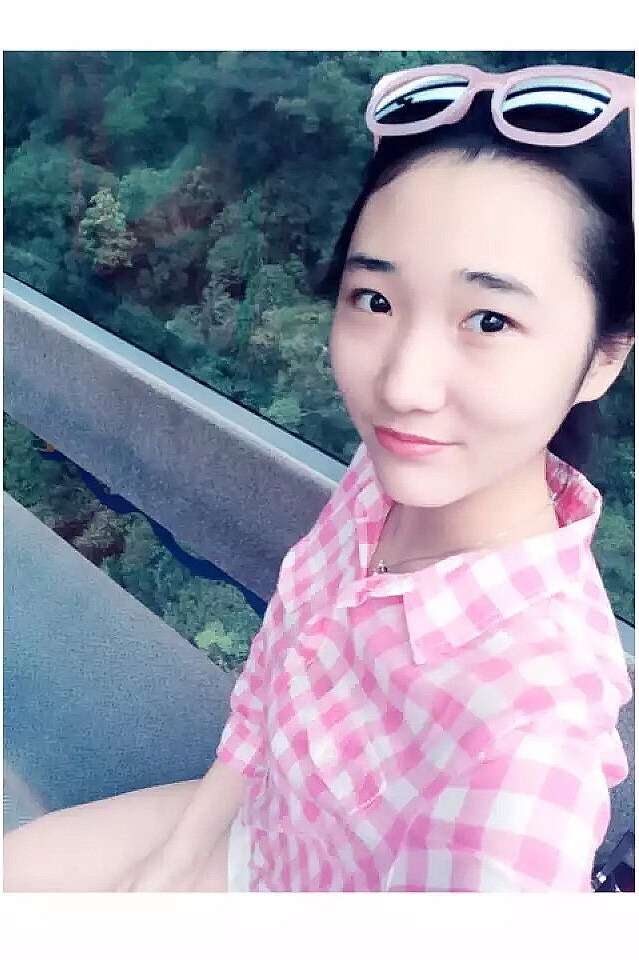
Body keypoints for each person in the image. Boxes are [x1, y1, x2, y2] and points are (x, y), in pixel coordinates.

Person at [4, 62, 635, 893]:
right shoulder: (383, 481)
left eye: (489, 319)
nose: (402, 386)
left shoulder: (530, 724)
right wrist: (171, 866)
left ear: (602, 358)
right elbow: (273, 676)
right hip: (252, 837)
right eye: (374, 299)